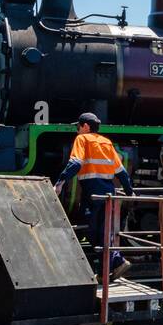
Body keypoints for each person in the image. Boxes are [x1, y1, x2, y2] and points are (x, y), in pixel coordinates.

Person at [53, 112, 134, 279]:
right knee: (103, 232)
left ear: (86, 126)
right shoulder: (107, 142)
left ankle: (116, 261)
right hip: (108, 193)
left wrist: (60, 183)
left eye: (78, 127)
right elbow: (122, 172)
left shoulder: (82, 140)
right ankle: (108, 270)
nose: (77, 130)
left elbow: (75, 163)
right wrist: (129, 191)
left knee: (90, 230)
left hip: (92, 193)